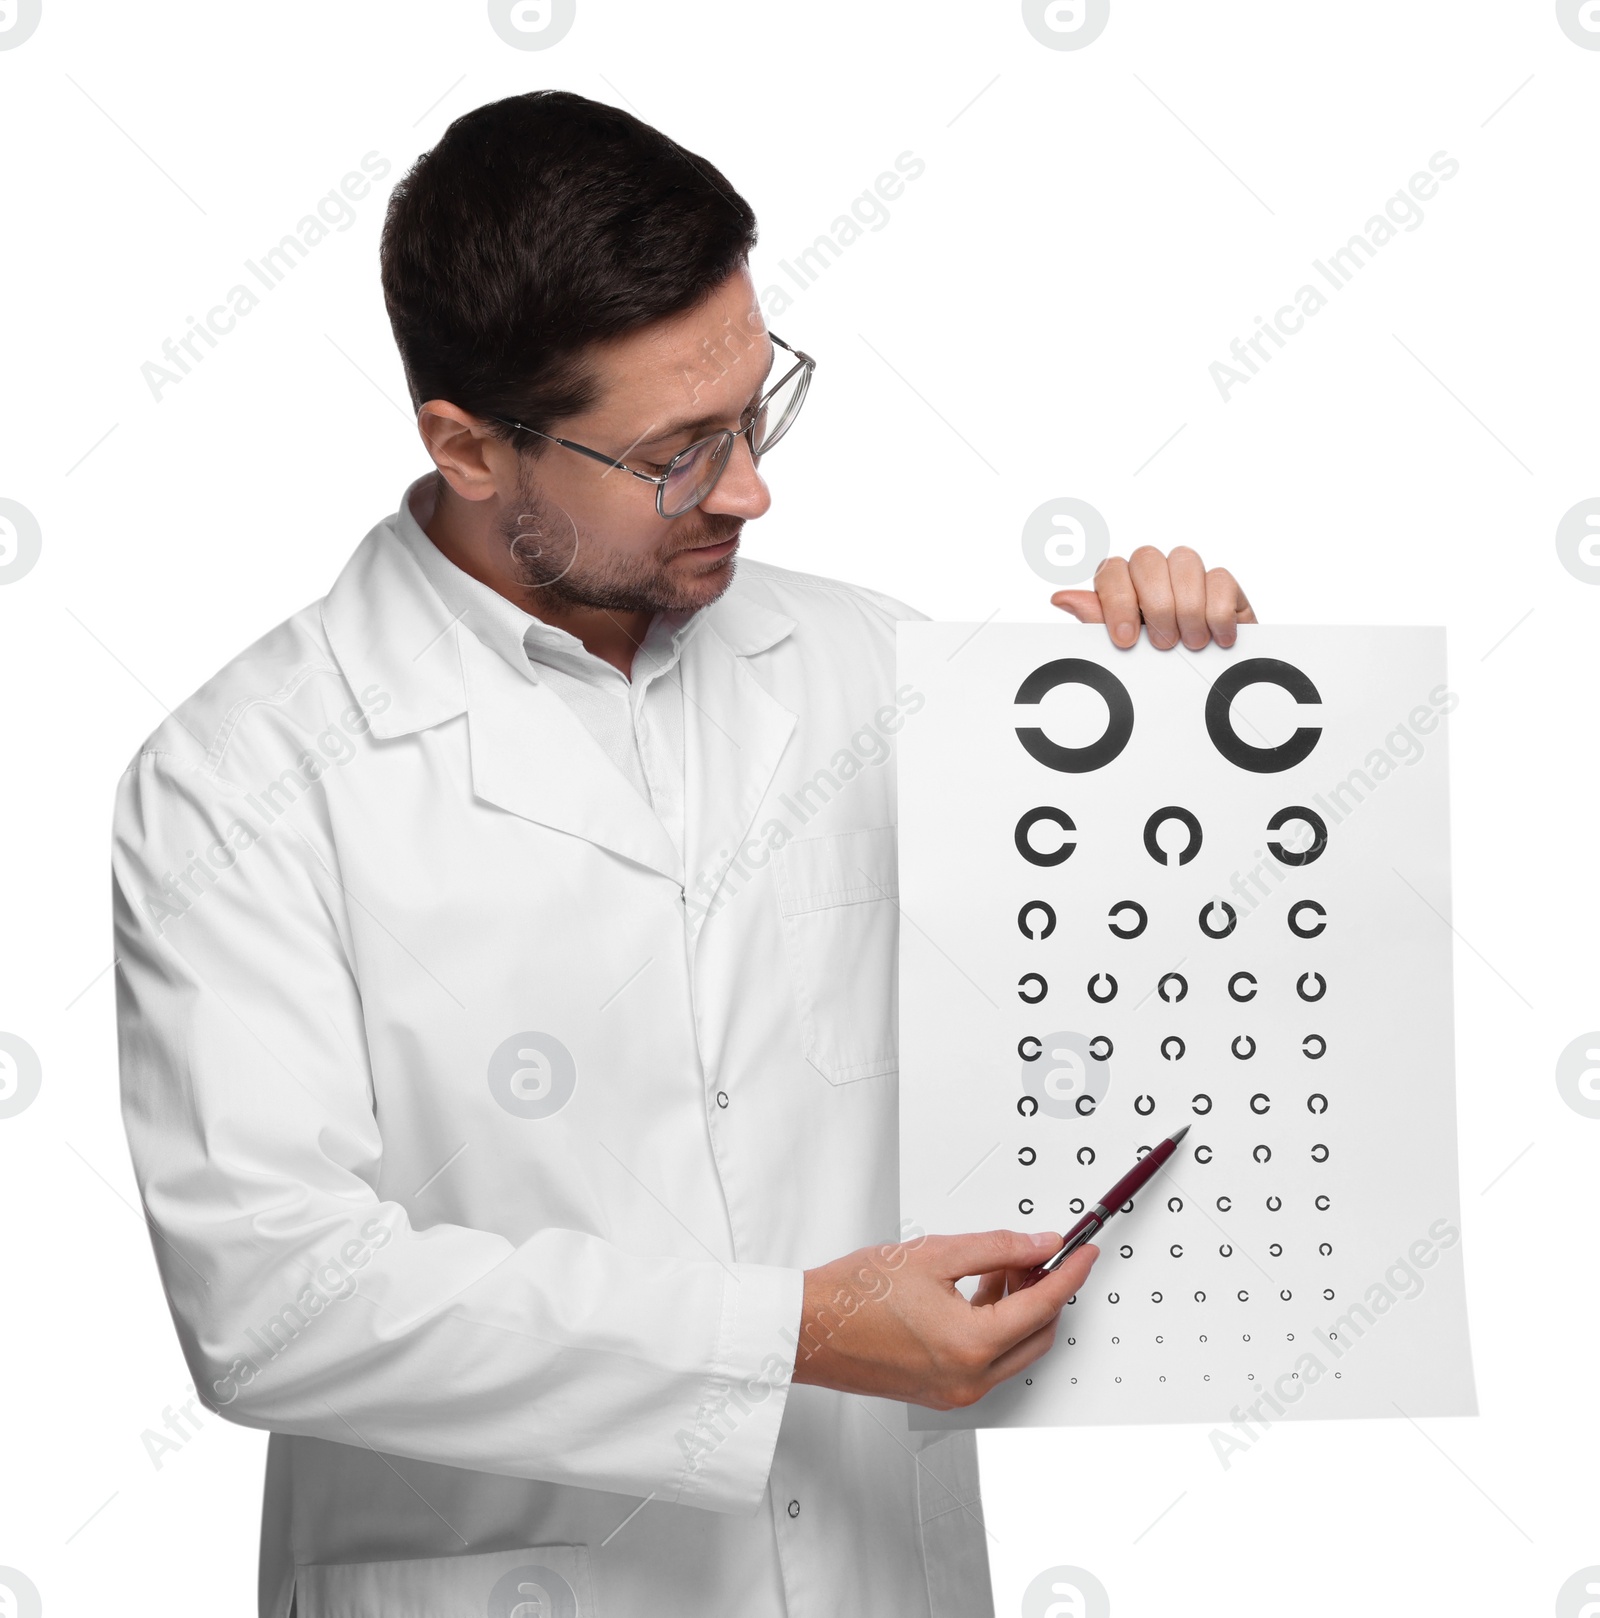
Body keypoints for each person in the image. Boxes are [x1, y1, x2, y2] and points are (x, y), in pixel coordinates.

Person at [112, 90, 1256, 1618]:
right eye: (675, 453)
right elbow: (271, 1302)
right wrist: (788, 1329)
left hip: (874, 1570)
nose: (749, 488)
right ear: (465, 446)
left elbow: (1115, 1026)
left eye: (757, 408)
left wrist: (1171, 715)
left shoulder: (875, 669)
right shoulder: (241, 780)